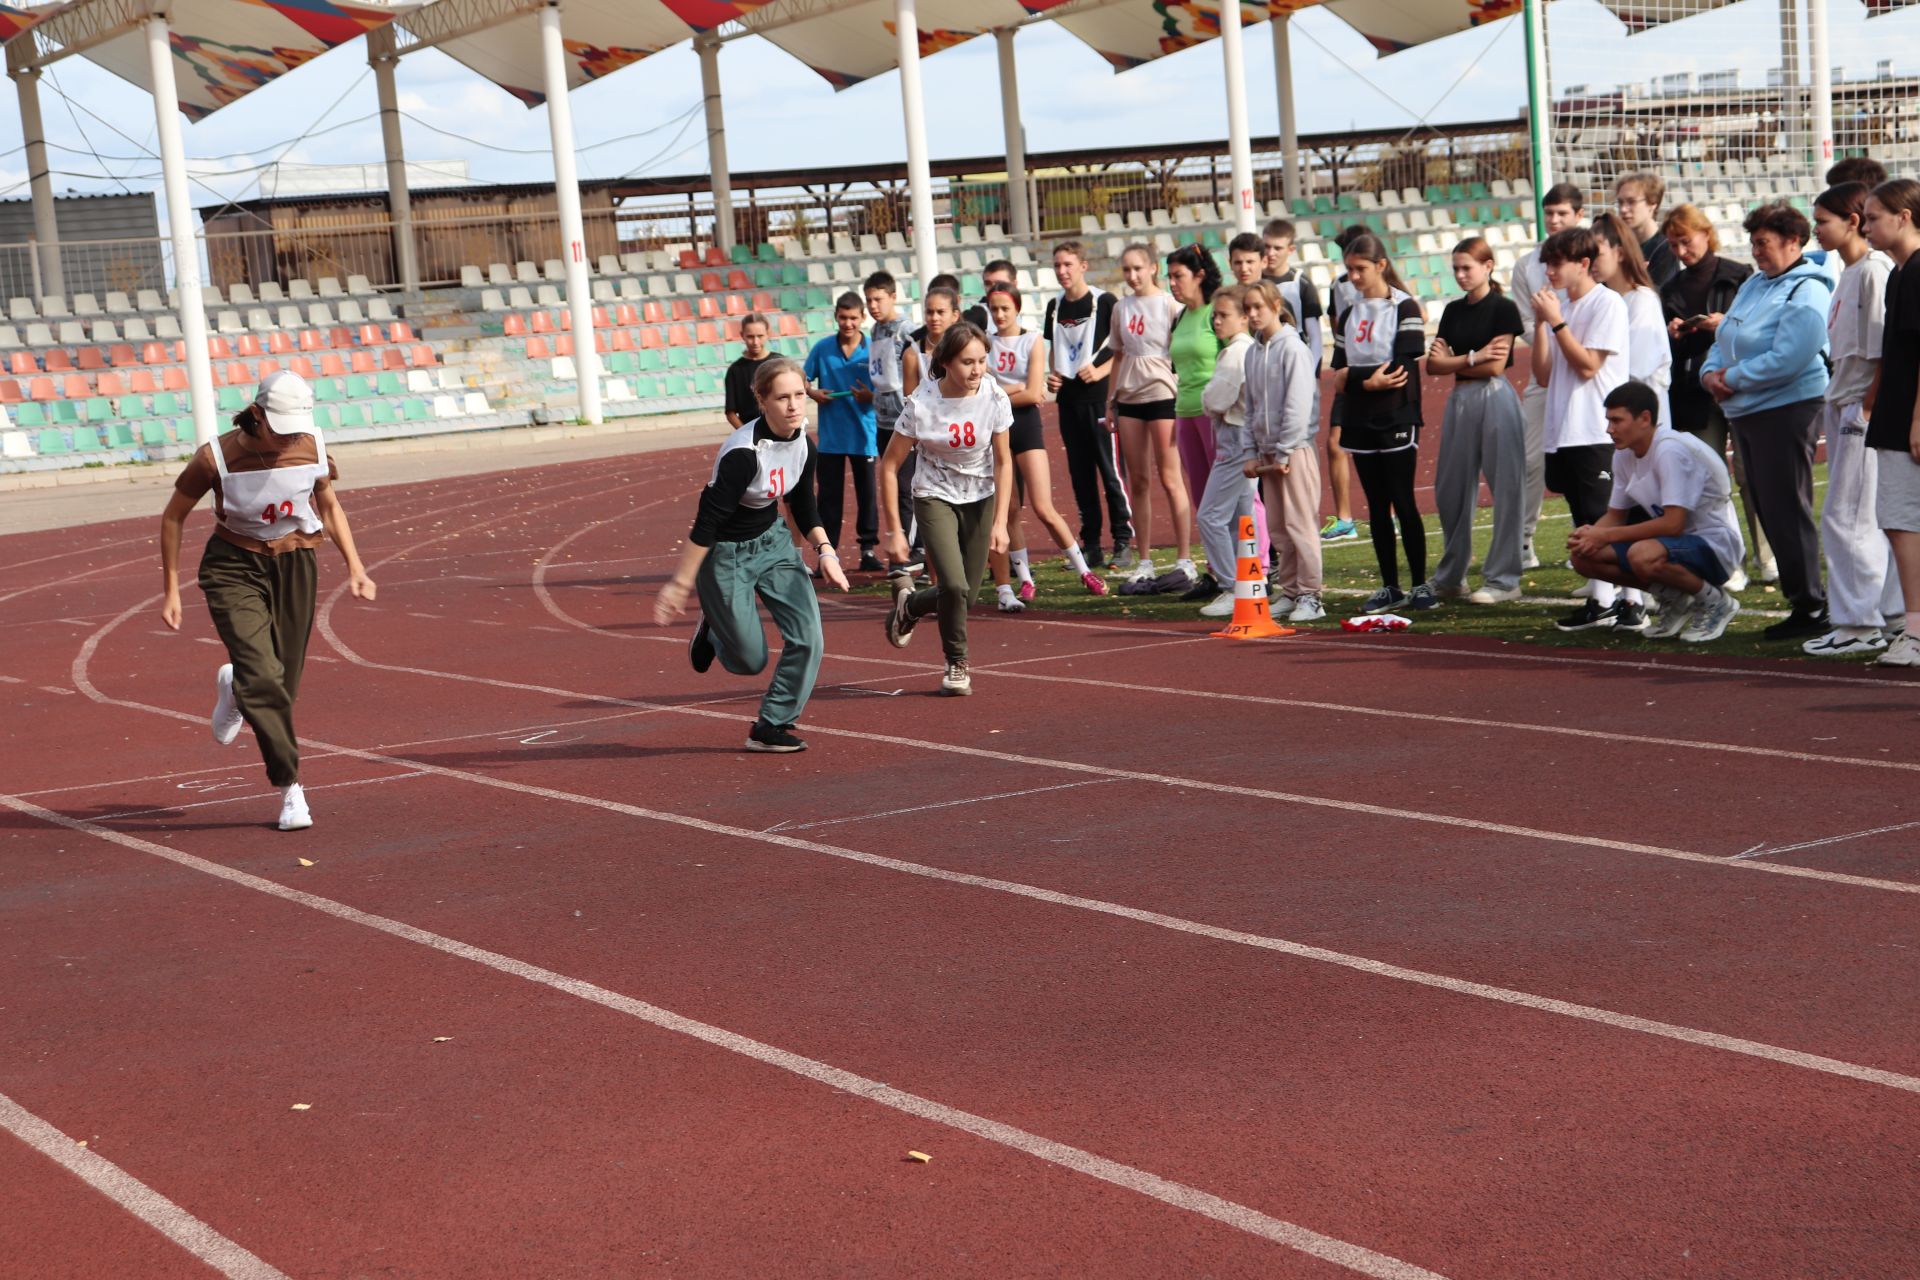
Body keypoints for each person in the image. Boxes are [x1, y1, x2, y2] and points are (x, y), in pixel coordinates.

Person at [158, 371, 376, 831]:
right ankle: (290, 788)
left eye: (295, 426)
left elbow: (329, 505)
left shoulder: (311, 446)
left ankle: (236, 687)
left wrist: (356, 565)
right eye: (280, 426)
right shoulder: (214, 457)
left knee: (282, 688)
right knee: (266, 684)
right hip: (233, 566)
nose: (289, 436)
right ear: (256, 415)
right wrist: (172, 588)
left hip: (296, 563)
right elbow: (174, 516)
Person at [655, 358, 850, 753]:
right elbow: (706, 524)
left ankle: (771, 725)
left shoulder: (802, 442)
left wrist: (825, 551)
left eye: (800, 394)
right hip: (725, 555)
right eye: (783, 398)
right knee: (749, 661)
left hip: (773, 543)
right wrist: (680, 584)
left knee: (809, 638)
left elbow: (802, 503)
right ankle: (714, 628)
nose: (795, 405)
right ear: (762, 401)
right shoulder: (742, 455)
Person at [1700, 201, 1835, 640]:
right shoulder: (1755, 284)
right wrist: (1709, 373)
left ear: (1793, 241)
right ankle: (1803, 601)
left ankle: (1812, 603)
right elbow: (1726, 336)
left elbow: (1791, 357)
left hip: (1787, 407)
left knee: (1785, 506)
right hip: (1747, 409)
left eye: (1764, 242)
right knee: (1767, 505)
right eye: (1753, 242)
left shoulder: (1808, 287)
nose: (1756, 251)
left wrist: (1731, 378)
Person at [879, 322, 1015, 696]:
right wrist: (894, 529)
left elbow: (1003, 461)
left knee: (966, 596)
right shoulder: (922, 404)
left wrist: (1000, 522)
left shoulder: (994, 396)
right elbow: (889, 466)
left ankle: (910, 605)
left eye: (982, 361)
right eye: (968, 362)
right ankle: (957, 662)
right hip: (934, 494)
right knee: (952, 585)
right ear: (946, 363)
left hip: (980, 496)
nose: (977, 370)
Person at [1567, 382, 1744, 644]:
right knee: (1584, 557)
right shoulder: (1625, 454)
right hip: (1676, 545)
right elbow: (1615, 514)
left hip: (1715, 546)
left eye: (1617, 420)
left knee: (1642, 554)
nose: (1609, 429)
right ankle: (1676, 599)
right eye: (1608, 420)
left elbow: (1673, 524)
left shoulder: (1669, 450)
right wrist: (1590, 536)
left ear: (1645, 419)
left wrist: (1605, 535)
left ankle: (1717, 602)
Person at [1806, 182, 1900, 657]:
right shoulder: (1847, 273)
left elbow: (1884, 348)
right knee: (1857, 516)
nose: (1816, 229)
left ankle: (1859, 623)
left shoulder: (1873, 271)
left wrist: (1866, 406)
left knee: (1848, 517)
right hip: (1843, 400)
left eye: (1823, 220)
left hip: (1860, 406)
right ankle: (1878, 616)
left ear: (1853, 220)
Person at [1659, 203, 1773, 589]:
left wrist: (1725, 325)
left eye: (1685, 241)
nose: (1680, 251)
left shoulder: (1740, 276)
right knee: (1709, 481)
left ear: (1705, 233)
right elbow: (1667, 352)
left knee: (1751, 474)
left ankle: (1767, 556)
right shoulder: (1671, 288)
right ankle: (1727, 561)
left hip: (1739, 383)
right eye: (1673, 244)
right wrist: (1675, 333)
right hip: (1694, 391)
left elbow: (1760, 327)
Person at [1532, 226, 1634, 631]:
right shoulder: (1563, 309)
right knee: (1583, 520)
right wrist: (1542, 324)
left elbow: (1589, 365)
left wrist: (1556, 323)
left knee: (1605, 518)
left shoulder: (1606, 303)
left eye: (1557, 264)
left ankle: (1624, 599)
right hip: (1565, 429)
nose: (1550, 272)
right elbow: (1542, 374)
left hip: (1595, 428)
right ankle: (1610, 600)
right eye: (1548, 264)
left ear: (1584, 264)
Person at [982, 283, 1106, 610]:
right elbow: (986, 389)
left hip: (1025, 426)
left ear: (1017, 309)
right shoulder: (984, 343)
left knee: (1043, 507)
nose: (999, 315)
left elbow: (1035, 393)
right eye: (994, 309)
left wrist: (1004, 389)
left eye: (1005, 309)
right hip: (997, 429)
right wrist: (1016, 388)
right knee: (1007, 510)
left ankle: (1084, 570)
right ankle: (1024, 579)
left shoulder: (1032, 338)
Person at [1333, 233, 1433, 613]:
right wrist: (1364, 380)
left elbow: (1403, 365)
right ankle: (1390, 585)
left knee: (1403, 500)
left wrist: (1358, 379)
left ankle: (1421, 584)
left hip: (1396, 414)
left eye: (1360, 269)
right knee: (1376, 506)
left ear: (1380, 265)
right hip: (1360, 416)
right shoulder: (1348, 313)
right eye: (1349, 270)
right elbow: (1338, 371)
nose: (1354, 277)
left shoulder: (1404, 307)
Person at [1427, 237, 1527, 605]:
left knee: (1507, 487)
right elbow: (1434, 364)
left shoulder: (1503, 309)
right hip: (1461, 397)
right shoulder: (1452, 311)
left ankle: (1504, 578)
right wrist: (1473, 356)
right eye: (1456, 268)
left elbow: (1496, 364)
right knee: (1449, 489)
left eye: (1467, 267)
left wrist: (1463, 358)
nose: (1460, 274)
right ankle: (1451, 576)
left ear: (1488, 266)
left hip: (1495, 394)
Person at [1107, 242, 1195, 589]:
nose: (1132, 276)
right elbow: (1117, 356)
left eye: (1138, 268)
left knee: (1171, 477)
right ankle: (1143, 561)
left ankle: (1184, 558)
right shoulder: (1120, 308)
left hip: (1163, 396)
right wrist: (1110, 401)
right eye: (1126, 270)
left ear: (1153, 268)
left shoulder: (1170, 305)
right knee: (1138, 481)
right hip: (1129, 398)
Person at [1241, 280, 1325, 623]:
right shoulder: (1252, 352)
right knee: (1278, 527)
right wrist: (1252, 449)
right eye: (1247, 308)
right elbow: (1250, 407)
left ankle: (1311, 595)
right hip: (1266, 454)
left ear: (1276, 305)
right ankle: (1290, 592)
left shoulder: (1293, 349)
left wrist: (1286, 450)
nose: (1252, 314)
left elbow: (1298, 403)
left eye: (1259, 306)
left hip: (1294, 452)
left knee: (1300, 523)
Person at [1043, 241, 1131, 567]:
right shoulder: (1054, 306)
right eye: (1057, 266)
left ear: (1083, 265)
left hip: (1099, 401)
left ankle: (1123, 540)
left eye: (1068, 264)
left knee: (1110, 474)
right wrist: (1052, 376)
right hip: (1068, 402)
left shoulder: (1105, 302)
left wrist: (1101, 370)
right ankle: (1091, 543)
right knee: (1080, 476)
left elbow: (1121, 349)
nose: (1062, 271)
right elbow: (1055, 350)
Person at [1513, 183, 1587, 570]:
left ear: (1578, 214)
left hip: (1587, 374)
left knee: (1586, 458)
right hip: (1545, 371)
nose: (1555, 220)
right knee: (1531, 459)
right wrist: (1548, 334)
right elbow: (1524, 320)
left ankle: (1586, 538)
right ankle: (1524, 542)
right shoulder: (1527, 265)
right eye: (1550, 213)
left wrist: (1567, 334)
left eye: (1562, 213)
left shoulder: (1593, 255)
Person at [1862, 177, 1920, 667]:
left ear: (1904, 217)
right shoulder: (1901, 273)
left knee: (1902, 522)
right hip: (1898, 413)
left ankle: (1916, 631)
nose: (1865, 227)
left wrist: (1917, 419)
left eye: (1874, 216)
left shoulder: (1915, 271)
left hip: (1908, 420)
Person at [1194, 283, 1260, 616]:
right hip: (1242, 437)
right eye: (1215, 315)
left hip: (1235, 439)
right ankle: (1248, 584)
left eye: (1224, 315)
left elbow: (1216, 399)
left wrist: (1209, 399)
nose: (1216, 321)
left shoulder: (1236, 352)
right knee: (1239, 517)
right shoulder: (1246, 348)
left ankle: (1231, 585)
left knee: (1210, 516)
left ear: (1244, 317)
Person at [804, 291, 880, 571]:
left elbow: (886, 388)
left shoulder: (874, 348)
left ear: (862, 318)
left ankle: (868, 549)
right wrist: (812, 392)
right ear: (836, 316)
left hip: (864, 435)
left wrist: (869, 397)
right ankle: (828, 552)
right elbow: (803, 378)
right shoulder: (822, 348)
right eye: (843, 317)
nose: (848, 323)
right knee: (828, 498)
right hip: (832, 438)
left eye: (853, 318)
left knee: (867, 495)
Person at [1167, 242, 1225, 593]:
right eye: (1169, 277)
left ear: (1199, 275)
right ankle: (1217, 571)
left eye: (1179, 276)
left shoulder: (1215, 312)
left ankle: (1258, 565)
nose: (1173, 283)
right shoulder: (1181, 316)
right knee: (1203, 499)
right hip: (1185, 412)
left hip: (1215, 414)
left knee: (1233, 495)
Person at [1319, 223, 1372, 544]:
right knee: (1335, 443)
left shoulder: (1390, 289)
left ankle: (1390, 515)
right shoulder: (1338, 286)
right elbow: (1337, 325)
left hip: (1379, 373)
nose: (1349, 266)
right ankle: (1345, 519)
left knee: (1379, 448)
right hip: (1349, 373)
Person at [864, 272, 918, 572]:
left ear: (893, 296)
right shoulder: (875, 331)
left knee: (906, 486)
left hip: (904, 419)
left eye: (878, 299)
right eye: (869, 300)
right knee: (891, 485)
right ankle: (902, 543)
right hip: (883, 419)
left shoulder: (907, 330)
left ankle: (911, 550)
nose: (873, 305)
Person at [1613, 171, 1680, 289]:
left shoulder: (1666, 248)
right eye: (1620, 202)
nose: (1623, 209)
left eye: (1631, 202)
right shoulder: (1616, 244)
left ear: (1652, 203)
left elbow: (1659, 297)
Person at [723, 312, 773, 430]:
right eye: (750, 336)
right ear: (742, 335)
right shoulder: (735, 370)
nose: (755, 342)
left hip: (780, 433)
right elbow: (730, 412)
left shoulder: (780, 362)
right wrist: (746, 434)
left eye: (760, 336)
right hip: (751, 433)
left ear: (768, 334)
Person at [962, 259, 1016, 330]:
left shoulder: (1018, 307)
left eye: (999, 283)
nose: (993, 288)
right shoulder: (978, 313)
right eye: (988, 283)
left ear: (1014, 284)